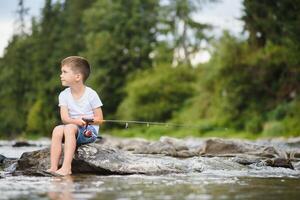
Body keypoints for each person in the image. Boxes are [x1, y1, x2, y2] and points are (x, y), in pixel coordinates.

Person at [46, 56, 103, 176]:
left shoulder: (91, 94)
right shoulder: (63, 95)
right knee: (57, 129)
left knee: (69, 128)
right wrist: (76, 121)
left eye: (64, 72)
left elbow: (99, 119)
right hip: (72, 127)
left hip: (89, 131)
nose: (61, 75)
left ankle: (67, 167)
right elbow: (65, 119)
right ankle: (53, 167)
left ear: (77, 76)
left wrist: (87, 120)